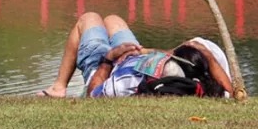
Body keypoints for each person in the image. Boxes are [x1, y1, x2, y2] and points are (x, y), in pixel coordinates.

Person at [38, 12, 232, 99]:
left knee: (89, 18)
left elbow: (93, 94)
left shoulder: (127, 84)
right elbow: (232, 93)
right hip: (133, 54)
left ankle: (59, 87)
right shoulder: (205, 83)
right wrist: (144, 51)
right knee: (114, 20)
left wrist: (108, 59)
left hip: (105, 68)